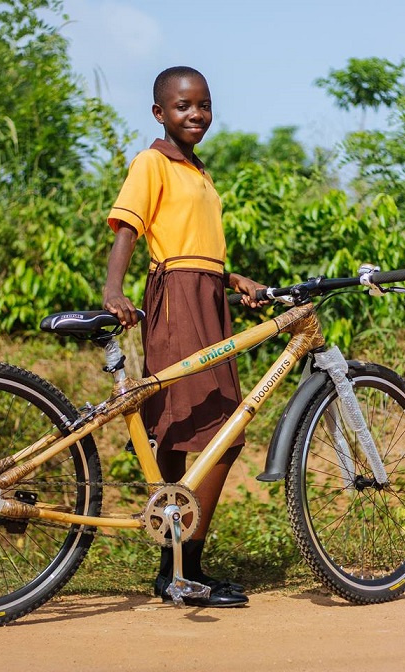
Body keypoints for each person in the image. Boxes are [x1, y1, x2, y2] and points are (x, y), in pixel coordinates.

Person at [103, 66, 265, 607]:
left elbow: (195, 247)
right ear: (159, 114)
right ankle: (183, 568)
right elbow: (130, 227)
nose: (196, 115)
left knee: (186, 429)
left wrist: (232, 277)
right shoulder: (153, 162)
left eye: (203, 105)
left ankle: (173, 568)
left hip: (206, 295)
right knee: (221, 431)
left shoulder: (197, 170)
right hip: (176, 300)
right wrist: (113, 291)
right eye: (182, 107)